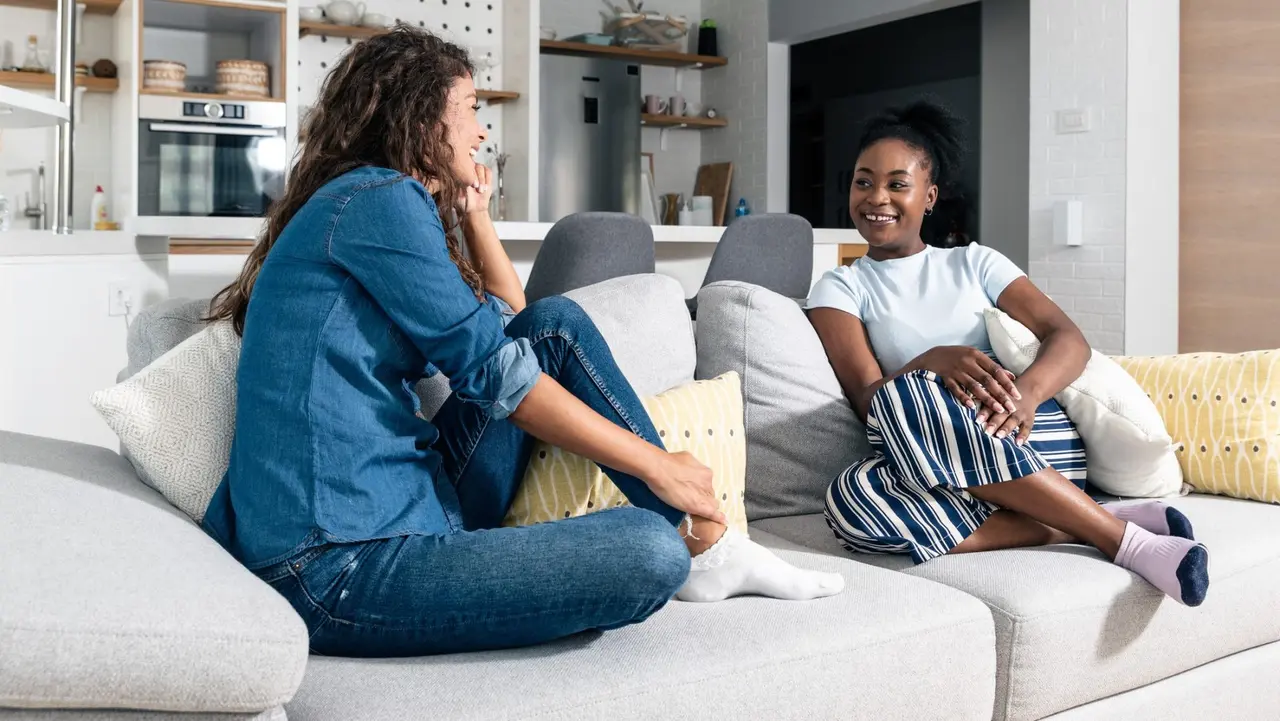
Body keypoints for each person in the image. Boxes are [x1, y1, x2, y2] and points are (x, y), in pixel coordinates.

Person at [200, 26, 843, 659]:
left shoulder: (373, 204)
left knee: (555, 324)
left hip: (415, 504)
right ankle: (698, 542)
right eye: (470, 108)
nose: (481, 132)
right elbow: (500, 376)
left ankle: (710, 546)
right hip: (336, 563)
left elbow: (519, 323)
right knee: (648, 551)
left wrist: (475, 216)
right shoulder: (377, 199)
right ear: (421, 117)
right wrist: (655, 463)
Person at [805, 101, 1210, 607]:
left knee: (903, 401)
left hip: (1025, 433)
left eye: (897, 184)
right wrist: (930, 361)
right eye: (863, 182)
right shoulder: (840, 287)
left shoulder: (976, 262)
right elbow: (869, 401)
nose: (876, 198)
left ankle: (1125, 543)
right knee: (849, 501)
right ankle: (1083, 519)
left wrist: (1027, 396)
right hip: (935, 458)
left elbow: (1068, 338)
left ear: (929, 197)